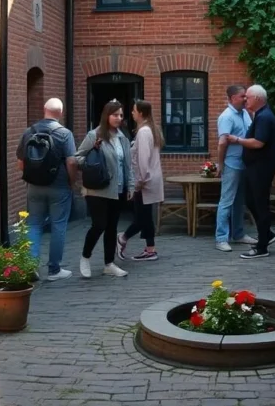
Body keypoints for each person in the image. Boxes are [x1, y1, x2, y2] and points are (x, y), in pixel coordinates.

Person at [16, 98, 76, 281]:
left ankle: (31, 267)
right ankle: (54, 270)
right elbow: (71, 162)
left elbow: (20, 163)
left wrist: (33, 176)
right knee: (58, 225)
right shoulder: (65, 134)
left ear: (44, 109)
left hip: (34, 187)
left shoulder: (29, 132)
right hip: (59, 186)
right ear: (61, 113)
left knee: (34, 224)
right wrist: (72, 182)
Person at [75, 100, 135, 278]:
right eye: (115, 115)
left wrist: (131, 185)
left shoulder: (123, 137)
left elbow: (128, 165)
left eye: (121, 115)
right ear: (106, 115)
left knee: (112, 227)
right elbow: (77, 157)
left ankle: (109, 264)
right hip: (97, 189)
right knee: (99, 225)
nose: (119, 118)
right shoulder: (94, 135)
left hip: (118, 189)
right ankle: (85, 257)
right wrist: (91, 163)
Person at [226, 84, 275, 259]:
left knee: (260, 204)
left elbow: (258, 143)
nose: (245, 100)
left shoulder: (264, 117)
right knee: (251, 201)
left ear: (257, 98)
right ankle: (267, 234)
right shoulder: (260, 115)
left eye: (247, 97)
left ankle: (262, 246)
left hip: (261, 168)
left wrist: (237, 140)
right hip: (255, 167)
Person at [118, 99, 165, 261]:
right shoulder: (151, 129)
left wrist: (138, 182)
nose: (132, 113)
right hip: (150, 178)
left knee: (140, 218)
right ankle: (150, 249)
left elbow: (143, 159)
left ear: (141, 113)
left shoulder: (144, 132)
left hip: (145, 181)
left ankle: (122, 238)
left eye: (134, 110)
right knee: (146, 216)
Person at [214, 85, 257, 252]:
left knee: (239, 201)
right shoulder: (227, 117)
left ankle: (238, 234)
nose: (245, 99)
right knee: (226, 201)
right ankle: (221, 238)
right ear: (232, 98)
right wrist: (221, 164)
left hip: (243, 164)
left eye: (246, 96)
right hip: (232, 164)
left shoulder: (245, 113)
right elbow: (222, 143)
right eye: (242, 96)